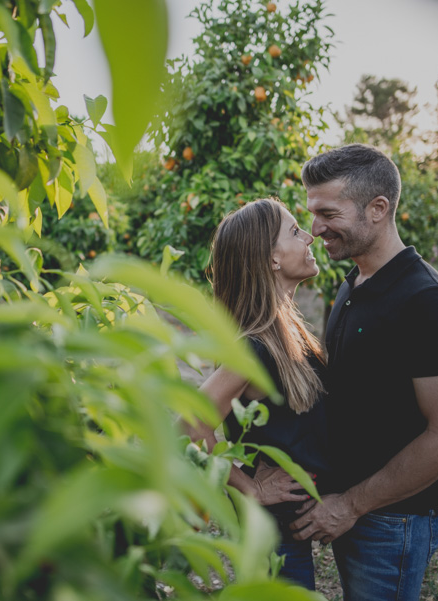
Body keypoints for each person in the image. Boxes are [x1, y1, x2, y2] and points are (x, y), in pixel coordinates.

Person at [290, 144, 438, 601]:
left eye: (328, 213)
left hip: (392, 517)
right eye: (311, 213)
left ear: (377, 209)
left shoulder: (428, 302)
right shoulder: (355, 281)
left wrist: (351, 505)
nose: (315, 229)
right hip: (355, 505)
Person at [185, 197, 332, 590]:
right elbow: (190, 424)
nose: (309, 238)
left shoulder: (284, 331)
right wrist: (250, 487)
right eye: (296, 232)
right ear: (272, 260)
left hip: (289, 529)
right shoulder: (254, 347)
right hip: (273, 535)